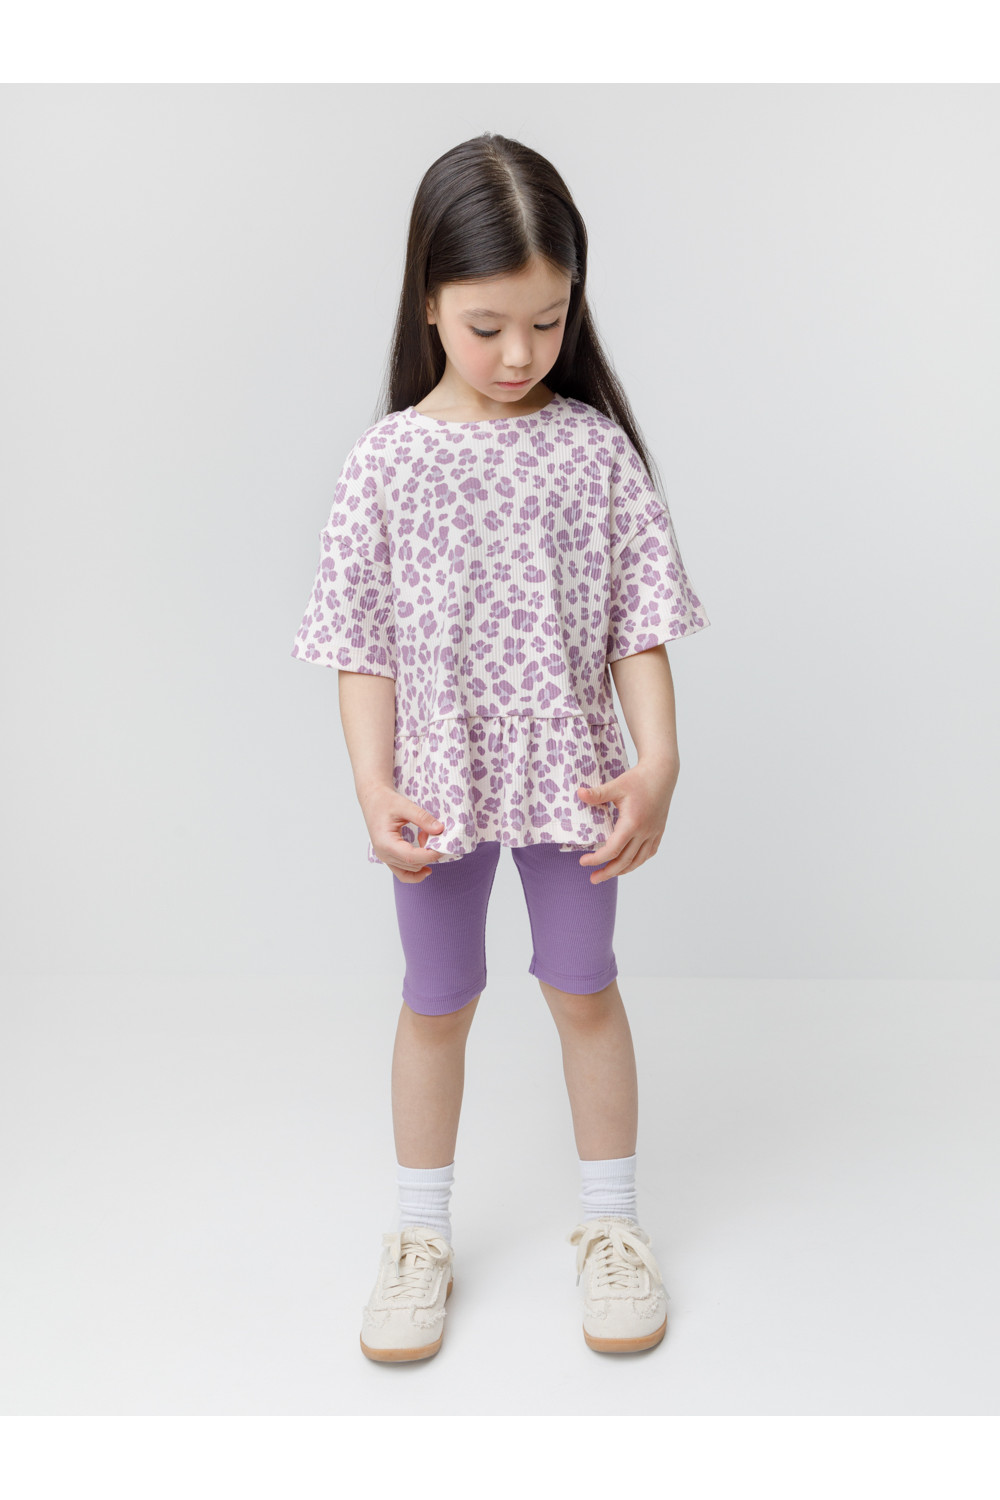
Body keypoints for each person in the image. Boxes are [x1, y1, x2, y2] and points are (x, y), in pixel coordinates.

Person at [291, 132, 711, 1362]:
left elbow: (637, 623)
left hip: (576, 780)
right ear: (428, 301)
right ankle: (418, 1238)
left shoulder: (590, 449)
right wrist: (372, 783)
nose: (521, 353)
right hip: (440, 788)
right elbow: (361, 645)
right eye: (488, 326)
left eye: (547, 321)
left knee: (584, 989)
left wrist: (659, 761)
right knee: (436, 1003)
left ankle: (612, 1226)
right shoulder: (386, 463)